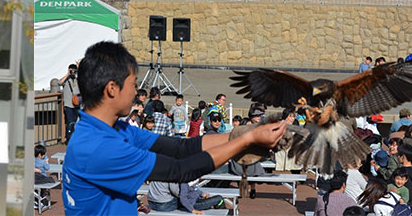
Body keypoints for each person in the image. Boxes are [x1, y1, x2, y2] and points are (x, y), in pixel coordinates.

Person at [61, 41, 286, 215]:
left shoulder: (115, 129)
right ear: (112, 88)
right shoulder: (98, 147)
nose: (136, 92)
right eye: (133, 85)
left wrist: (245, 134)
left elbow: (181, 148)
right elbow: (180, 170)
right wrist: (247, 141)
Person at [146, 180, 224, 214]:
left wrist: (200, 193)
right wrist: (192, 210)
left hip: (152, 202)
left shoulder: (157, 168)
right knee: (219, 199)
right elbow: (181, 196)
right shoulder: (172, 174)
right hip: (165, 205)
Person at [59, 63, 81, 143]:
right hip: (68, 105)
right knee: (70, 122)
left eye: (74, 71)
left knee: (76, 122)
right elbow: (59, 83)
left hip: (77, 105)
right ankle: (69, 139)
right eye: (71, 71)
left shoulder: (77, 80)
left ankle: (74, 138)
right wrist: (67, 74)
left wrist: (79, 69)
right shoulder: (66, 80)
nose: (73, 73)